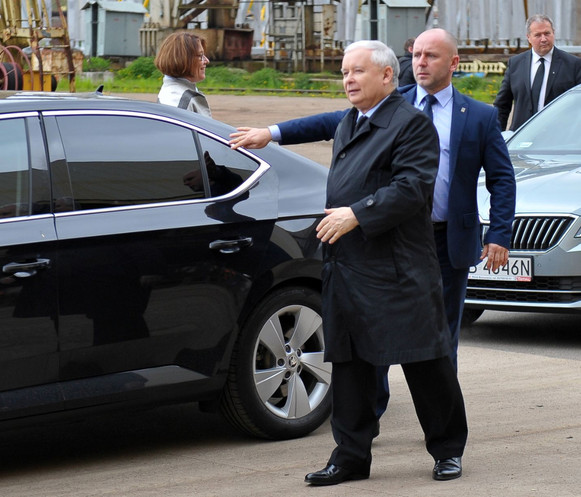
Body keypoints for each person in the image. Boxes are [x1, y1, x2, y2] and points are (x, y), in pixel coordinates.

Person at [229, 28, 516, 382]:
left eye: (432, 56)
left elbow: (502, 178)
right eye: (417, 55)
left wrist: (499, 234)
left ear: (454, 62)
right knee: (377, 331)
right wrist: (271, 133)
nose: (421, 63)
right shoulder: (391, 104)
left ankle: (441, 416)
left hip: (446, 242)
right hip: (389, 240)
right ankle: (372, 415)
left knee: (441, 336)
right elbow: (329, 122)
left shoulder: (479, 116)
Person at [294, 39, 469, 486]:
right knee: (352, 368)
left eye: (357, 71)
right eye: (344, 72)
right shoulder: (350, 122)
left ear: (387, 76)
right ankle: (351, 456)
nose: (348, 79)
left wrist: (358, 213)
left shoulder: (410, 125)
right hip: (349, 266)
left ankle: (447, 449)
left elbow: (412, 189)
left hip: (398, 270)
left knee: (425, 362)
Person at [494, 14, 581, 131]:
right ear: (528, 37)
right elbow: (502, 106)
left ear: (553, 33)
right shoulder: (516, 64)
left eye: (547, 33)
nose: (544, 39)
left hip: (560, 137)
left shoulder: (573, 65)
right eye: (538, 35)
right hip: (521, 136)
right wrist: (496, 139)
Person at [154, 32, 211, 116]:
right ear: (183, 59)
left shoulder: (181, 92)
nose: (206, 61)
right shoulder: (177, 100)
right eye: (200, 56)